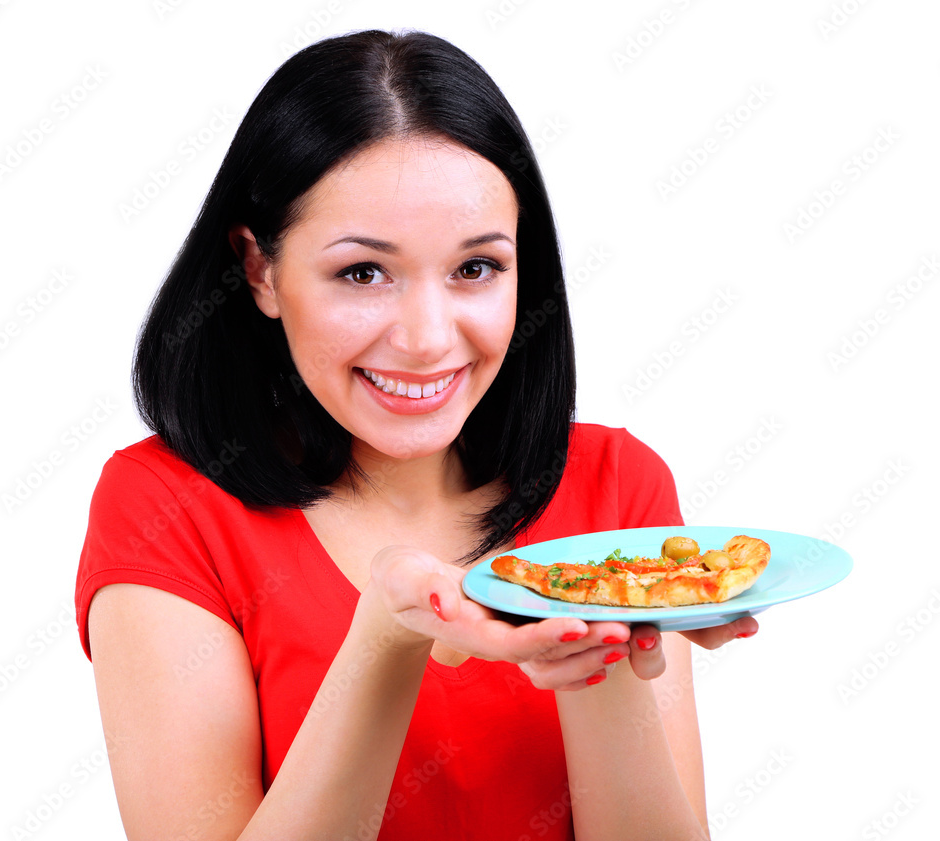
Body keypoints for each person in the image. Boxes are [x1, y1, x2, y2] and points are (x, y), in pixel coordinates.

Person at [75, 29, 757, 841]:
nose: (429, 338)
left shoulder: (618, 486)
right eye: (363, 272)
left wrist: (594, 645)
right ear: (259, 270)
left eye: (476, 268)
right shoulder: (165, 509)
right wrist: (388, 635)